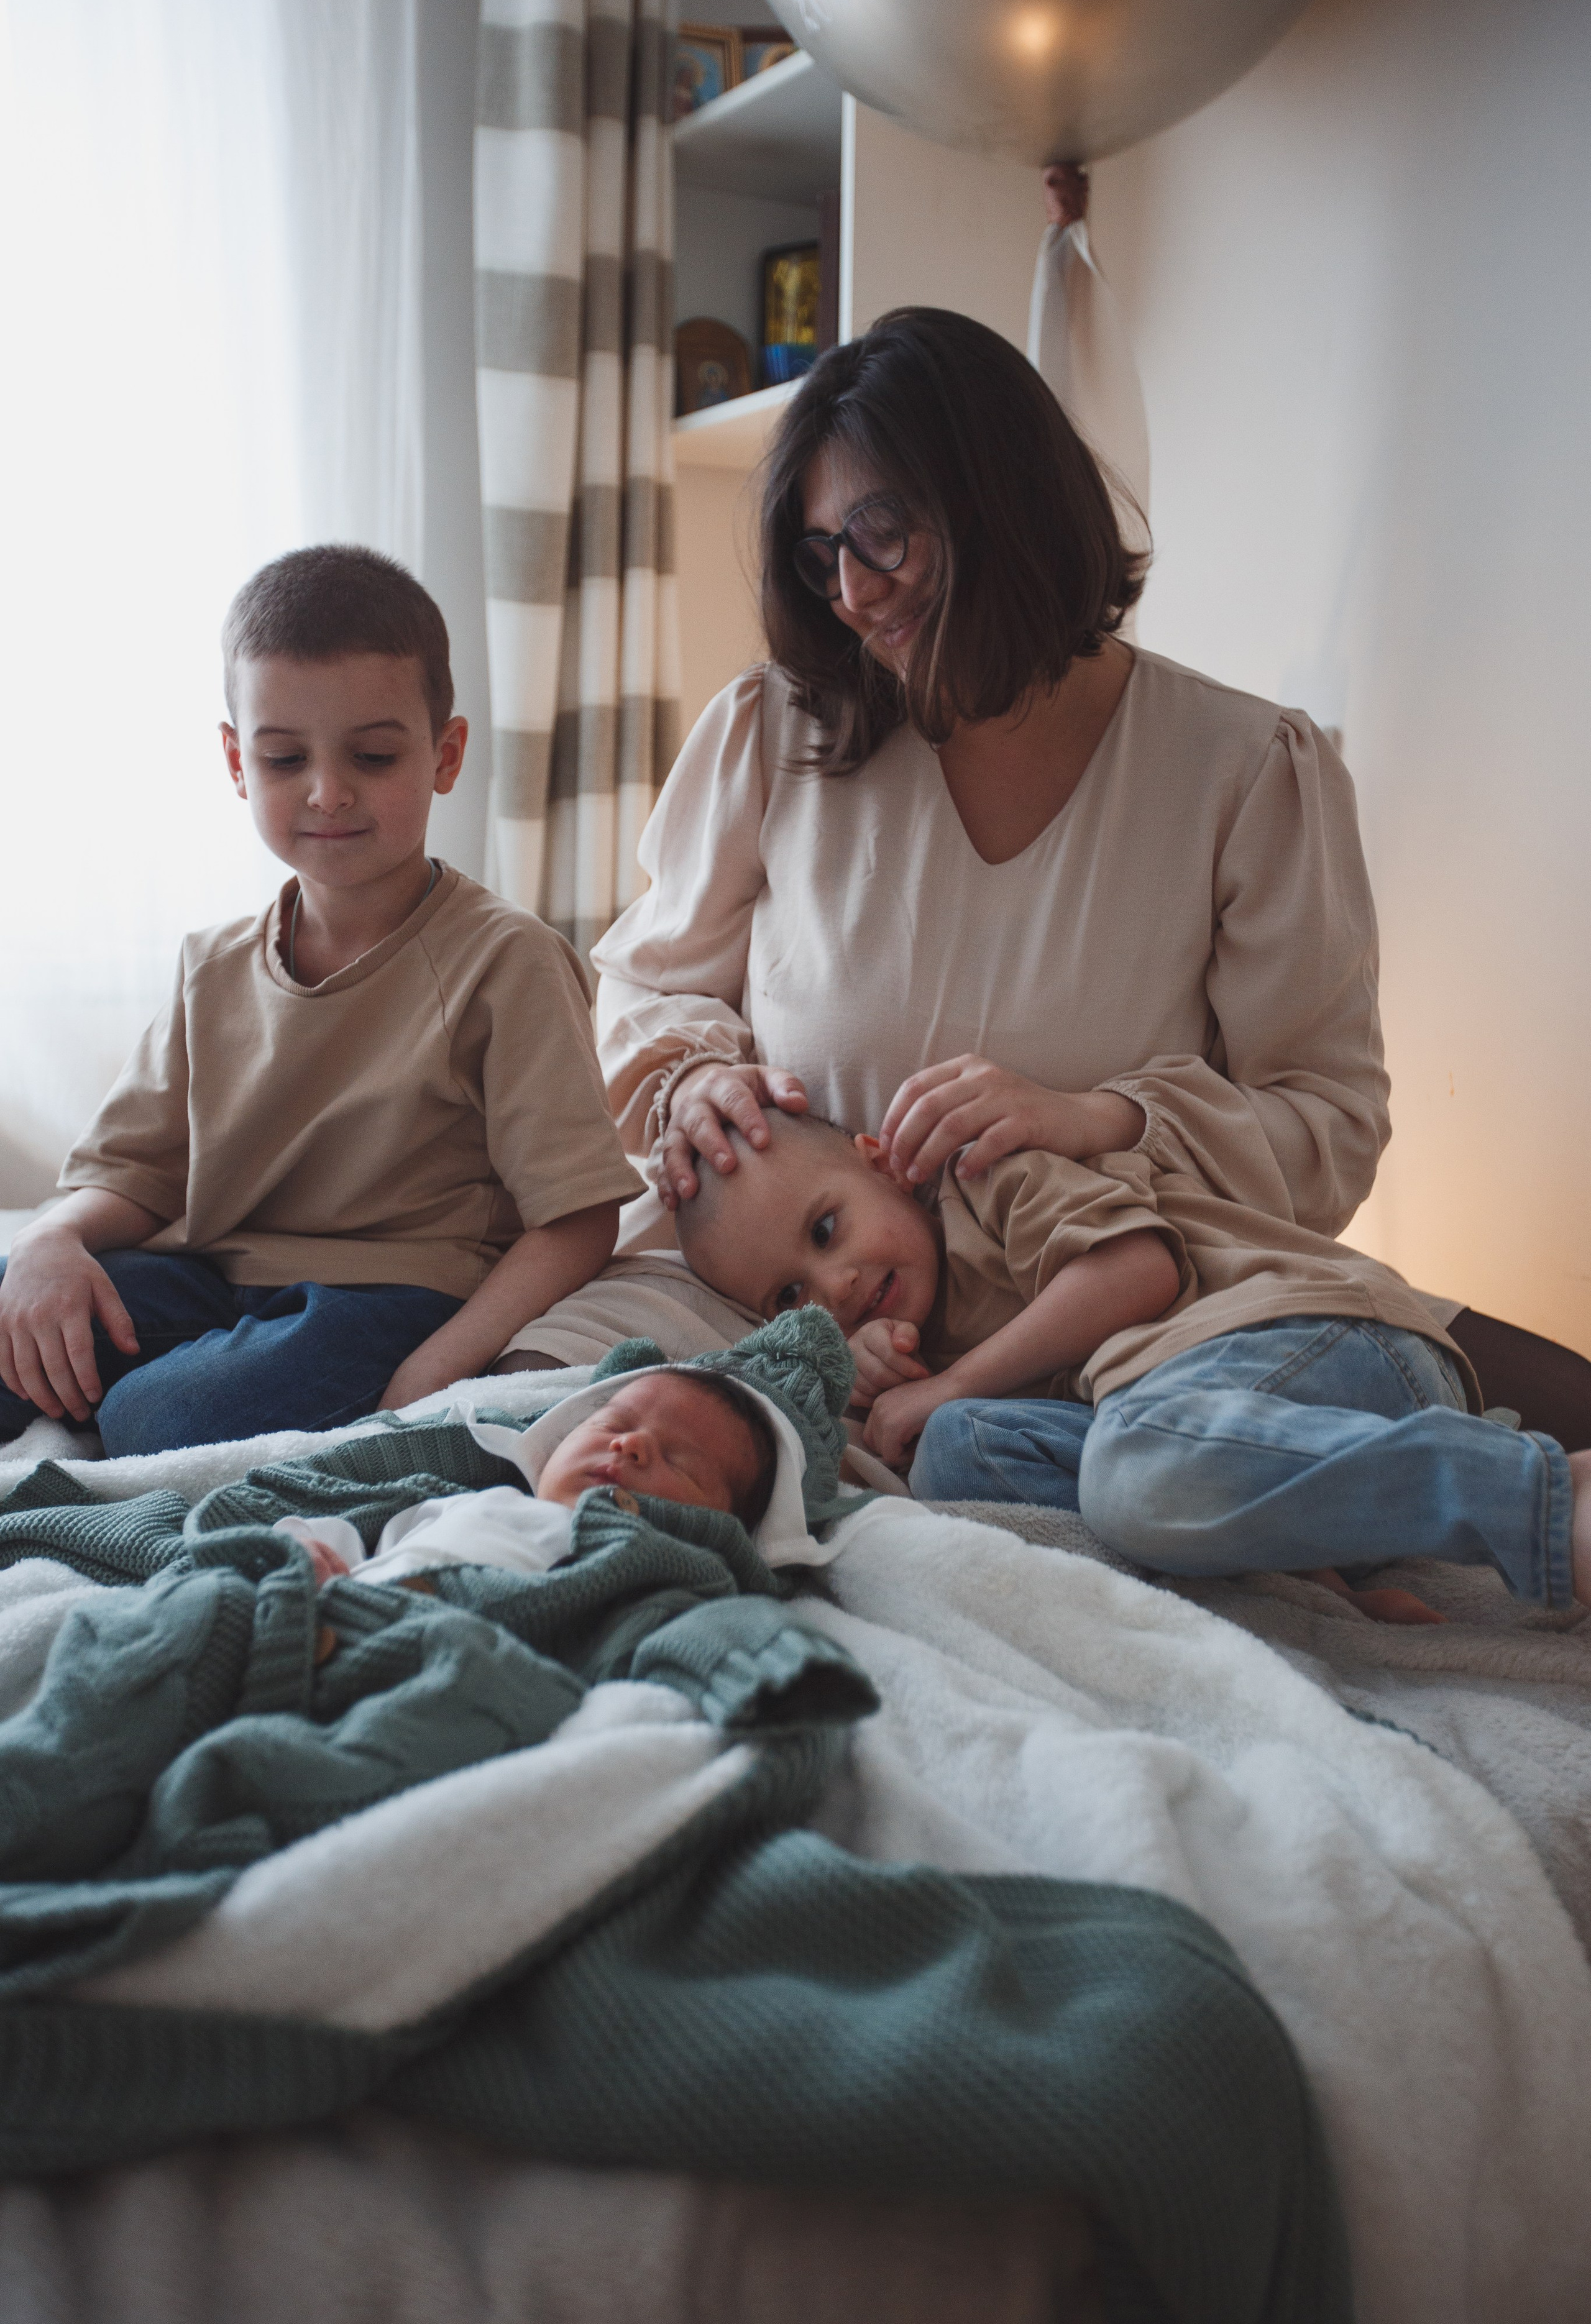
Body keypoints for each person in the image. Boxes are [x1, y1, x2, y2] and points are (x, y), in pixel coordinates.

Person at [574, 305, 1591, 1450]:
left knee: (1497, 1400)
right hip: (835, 1343)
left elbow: (1328, 1126)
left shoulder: (1244, 770)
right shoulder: (776, 732)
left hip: (1147, 1303)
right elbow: (641, 988)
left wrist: (1093, 1119)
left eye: (883, 531)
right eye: (824, 557)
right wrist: (688, 1090)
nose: (854, 595)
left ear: (1000, 497)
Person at [0, 546, 643, 1457]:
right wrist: (48, 1243)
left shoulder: (509, 962)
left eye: (374, 756)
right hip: (217, 1282)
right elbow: (131, 1174)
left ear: (445, 755)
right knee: (18, 1305)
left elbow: (577, 1218)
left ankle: (129, 1402)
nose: (328, 792)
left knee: (159, 1418)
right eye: (284, 757)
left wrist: (439, 1367)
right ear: (235, 761)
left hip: (388, 1299)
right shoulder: (210, 967)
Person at [674, 1107, 1591, 1609]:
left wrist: (955, 1375)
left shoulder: (988, 1180)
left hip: (1320, 1338)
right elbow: (969, 1423)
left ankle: (1549, 1502)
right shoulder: (914, 1329)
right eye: (790, 1297)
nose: (831, 1287)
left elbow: (1137, 1271)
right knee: (956, 1453)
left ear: (883, 1163)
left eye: (827, 1229)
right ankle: (1306, 1564)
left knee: (1129, 1464)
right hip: (1218, 1423)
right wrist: (910, 1385)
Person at [291, 1362, 780, 1587]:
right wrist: (306, 1552)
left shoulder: (653, 1576)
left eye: (680, 1461)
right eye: (613, 1424)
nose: (628, 1445)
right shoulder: (465, 1502)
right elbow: (352, 1544)